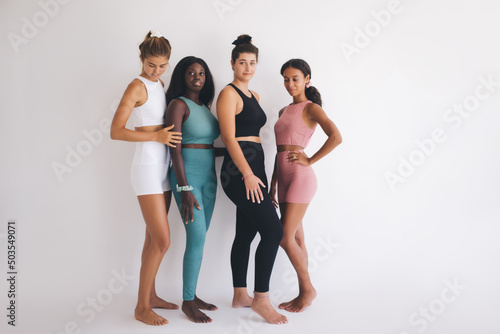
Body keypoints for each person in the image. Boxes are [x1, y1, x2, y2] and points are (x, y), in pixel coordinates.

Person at [110, 30, 182, 326]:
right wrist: (157, 136)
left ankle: (150, 296)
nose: (156, 70)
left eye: (162, 65)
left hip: (162, 169)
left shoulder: (160, 84)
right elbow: (116, 131)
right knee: (163, 241)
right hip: (146, 170)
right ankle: (141, 307)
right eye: (151, 64)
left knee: (152, 238)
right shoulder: (136, 86)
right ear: (141, 59)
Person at [217, 34, 287, 325]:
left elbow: (256, 139)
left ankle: (239, 295)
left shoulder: (254, 96)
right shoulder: (228, 94)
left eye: (252, 63)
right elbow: (229, 138)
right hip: (238, 171)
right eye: (242, 62)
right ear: (232, 63)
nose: (248, 67)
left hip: (255, 165)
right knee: (273, 232)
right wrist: (247, 174)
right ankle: (261, 299)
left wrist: (259, 175)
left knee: (246, 234)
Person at [270, 58, 342, 313]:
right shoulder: (282, 111)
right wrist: (272, 186)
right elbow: (279, 151)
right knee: (297, 237)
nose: (290, 84)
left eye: (295, 79)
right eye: (286, 79)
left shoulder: (311, 109)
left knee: (284, 237)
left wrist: (310, 159)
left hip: (301, 177)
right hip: (283, 178)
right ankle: (303, 292)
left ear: (307, 79)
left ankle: (308, 289)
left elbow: (336, 137)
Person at [165, 56, 223, 323]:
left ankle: (193, 294)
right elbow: (174, 148)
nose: (197, 77)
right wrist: (184, 186)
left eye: (201, 73)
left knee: (201, 239)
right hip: (187, 181)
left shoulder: (205, 107)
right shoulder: (178, 105)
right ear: (182, 76)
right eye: (191, 72)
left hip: (210, 180)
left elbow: (208, 145)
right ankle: (188, 302)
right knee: (196, 238)